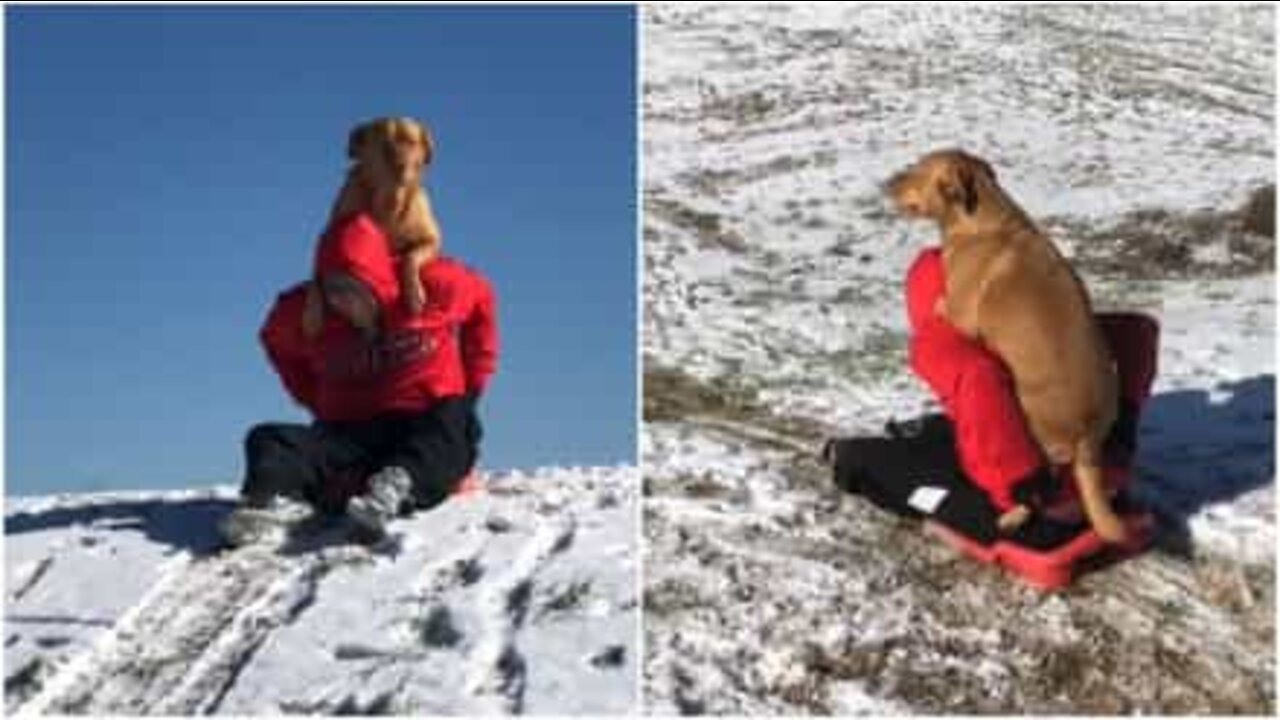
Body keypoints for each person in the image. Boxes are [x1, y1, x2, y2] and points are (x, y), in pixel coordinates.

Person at [826, 247, 1158, 549]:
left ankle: (845, 456)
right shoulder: (1029, 326)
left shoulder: (941, 338)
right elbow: (1137, 330)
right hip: (1105, 484)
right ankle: (927, 435)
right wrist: (1121, 430)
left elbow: (979, 380)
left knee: (874, 461)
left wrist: (1023, 492)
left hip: (1039, 516)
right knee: (963, 423)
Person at [220, 212, 498, 547]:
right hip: (349, 434)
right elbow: (274, 341)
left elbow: (482, 298)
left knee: (455, 414)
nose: (343, 301)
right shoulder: (308, 314)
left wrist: (474, 381)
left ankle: (395, 488)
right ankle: (264, 505)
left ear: (376, 280)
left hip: (420, 423)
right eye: (333, 290)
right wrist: (315, 399)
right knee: (268, 438)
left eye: (352, 289)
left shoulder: (432, 286)